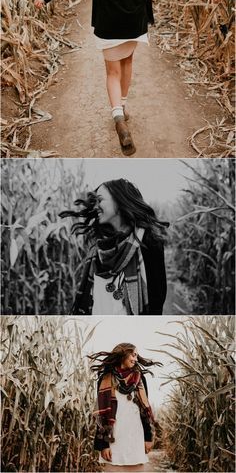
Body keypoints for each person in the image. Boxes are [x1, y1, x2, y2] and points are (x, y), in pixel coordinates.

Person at [34, 0, 222, 155]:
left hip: (107, 22)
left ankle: (118, 116)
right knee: (127, 62)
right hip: (133, 21)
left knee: (112, 72)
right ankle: (122, 106)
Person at [59, 178, 168, 315]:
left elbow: (156, 301)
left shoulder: (148, 243)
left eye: (100, 200)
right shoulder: (98, 246)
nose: (95, 206)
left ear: (119, 200)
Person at [89, 342, 159, 472]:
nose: (136, 359)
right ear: (123, 355)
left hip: (135, 436)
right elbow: (102, 415)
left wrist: (148, 438)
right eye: (133, 355)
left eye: (137, 356)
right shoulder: (105, 379)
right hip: (114, 438)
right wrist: (104, 445)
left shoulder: (139, 379)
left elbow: (144, 411)